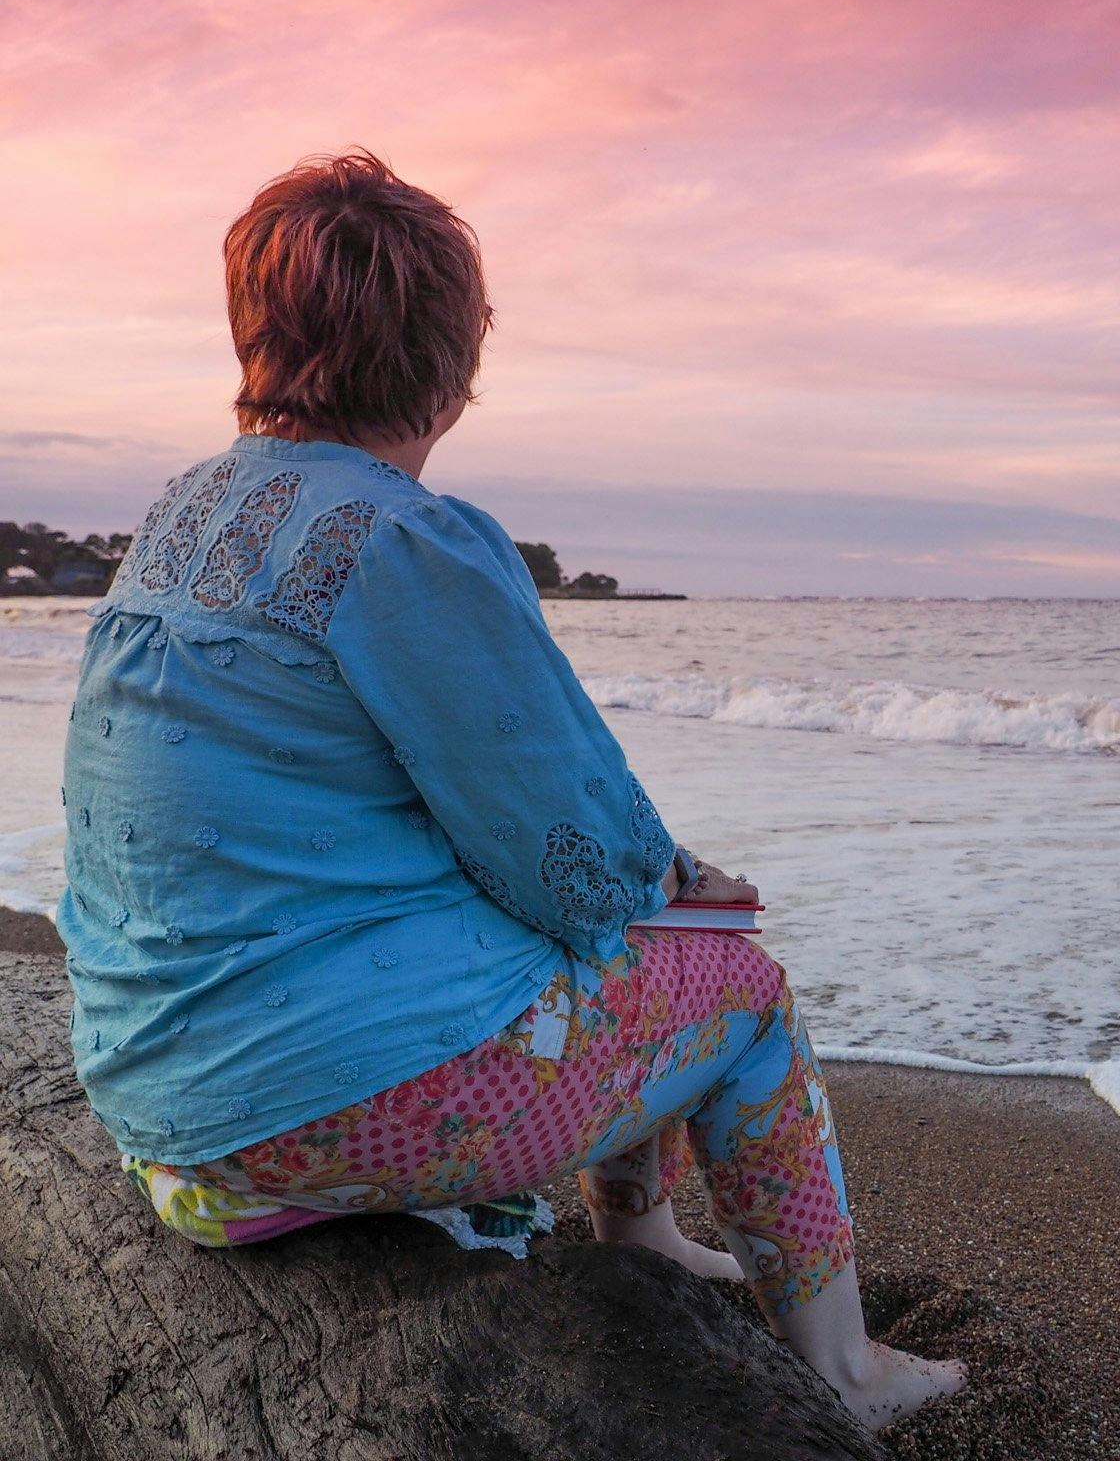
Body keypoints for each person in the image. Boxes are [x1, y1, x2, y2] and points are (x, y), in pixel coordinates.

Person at [55, 150, 964, 1430]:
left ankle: (638, 1242)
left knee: (632, 930)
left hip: (168, 1123)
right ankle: (847, 1373)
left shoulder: (180, 516)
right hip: (327, 1114)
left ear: (255, 333)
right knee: (738, 989)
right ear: (455, 357)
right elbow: (568, 860)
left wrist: (653, 885)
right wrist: (684, 887)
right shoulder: (405, 537)